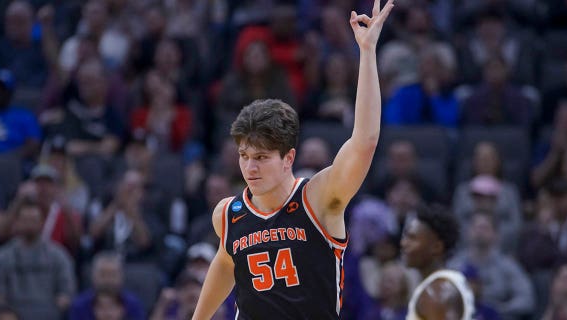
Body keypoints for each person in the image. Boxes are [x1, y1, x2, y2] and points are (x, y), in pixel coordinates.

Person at [191, 1, 394, 319]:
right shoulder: (227, 214)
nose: (250, 167)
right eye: (244, 156)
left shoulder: (319, 198)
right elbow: (226, 262)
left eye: (261, 157)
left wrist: (367, 53)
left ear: (289, 158)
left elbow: (365, 142)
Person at [400, 205, 475, 320]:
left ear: (437, 247)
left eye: (412, 238)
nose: (404, 243)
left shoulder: (436, 292)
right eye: (405, 237)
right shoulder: (445, 283)